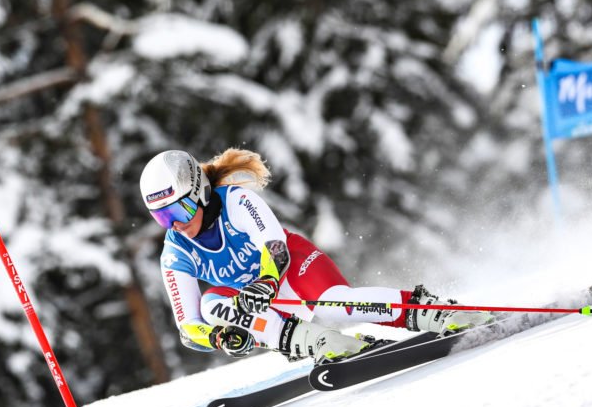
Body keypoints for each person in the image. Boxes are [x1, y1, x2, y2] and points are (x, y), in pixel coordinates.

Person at [139, 148, 491, 363]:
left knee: (337, 307)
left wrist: (266, 281)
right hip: (260, 304)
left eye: (180, 211)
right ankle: (319, 343)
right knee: (211, 305)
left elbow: (275, 248)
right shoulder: (176, 252)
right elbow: (188, 327)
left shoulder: (236, 201)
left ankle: (436, 312)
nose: (176, 224)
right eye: (163, 218)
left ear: (199, 192)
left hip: (291, 269)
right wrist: (218, 337)